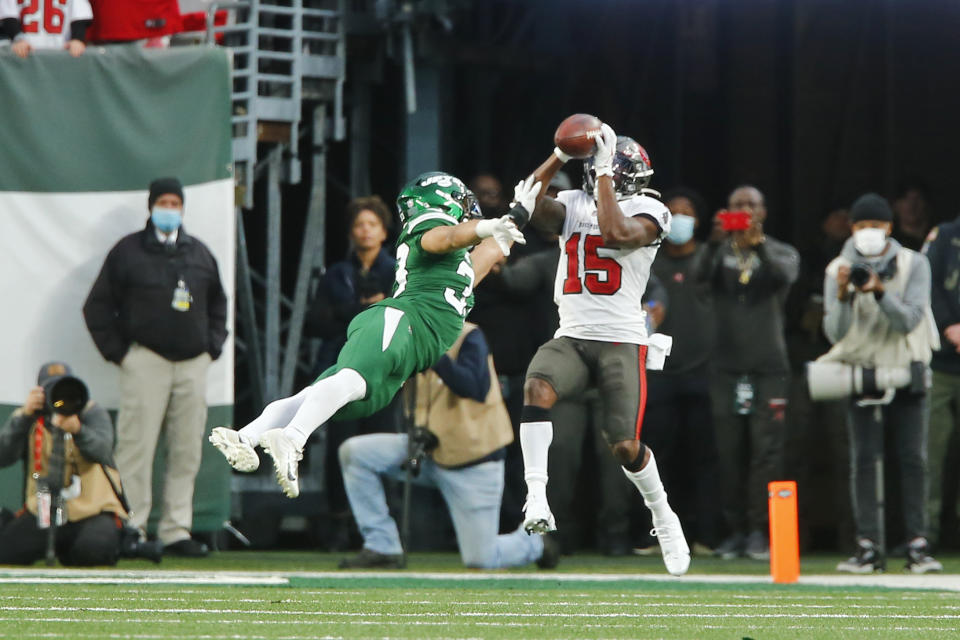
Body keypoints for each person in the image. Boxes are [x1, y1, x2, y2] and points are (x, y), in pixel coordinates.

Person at [210, 172, 537, 500]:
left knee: (320, 397)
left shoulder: (461, 268)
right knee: (354, 381)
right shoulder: (425, 230)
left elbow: (493, 249)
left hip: (411, 350)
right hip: (402, 323)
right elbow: (451, 236)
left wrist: (524, 207)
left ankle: (245, 437)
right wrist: (485, 226)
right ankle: (293, 438)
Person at [516, 122, 690, 576]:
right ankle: (536, 495)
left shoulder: (652, 209)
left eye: (606, 168)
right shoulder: (573, 202)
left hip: (620, 341)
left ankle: (663, 514)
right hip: (572, 335)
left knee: (624, 445)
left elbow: (615, 234)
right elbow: (527, 205)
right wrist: (559, 154)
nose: (598, 174)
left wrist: (604, 177)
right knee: (536, 386)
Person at [83, 177, 228, 557]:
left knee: (186, 450)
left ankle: (176, 529)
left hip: (192, 364)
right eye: (162, 201)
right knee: (135, 448)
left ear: (182, 207)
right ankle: (130, 526)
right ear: (151, 206)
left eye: (174, 202)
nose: (169, 208)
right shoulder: (127, 251)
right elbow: (96, 307)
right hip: (146, 361)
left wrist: (211, 347)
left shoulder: (198, 253)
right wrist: (122, 354)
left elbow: (218, 304)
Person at [337, 322, 559, 569]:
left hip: (472, 460)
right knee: (355, 453)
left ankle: (535, 545)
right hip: (427, 449)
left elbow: (475, 388)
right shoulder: (406, 338)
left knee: (481, 559)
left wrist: (435, 355)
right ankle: (382, 546)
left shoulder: (469, 336)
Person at [819, 193, 942, 574]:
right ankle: (868, 546)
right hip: (863, 368)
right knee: (864, 461)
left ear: (889, 228)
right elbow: (834, 333)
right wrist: (842, 295)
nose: (867, 233)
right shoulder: (837, 268)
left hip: (907, 364)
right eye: (860, 226)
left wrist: (879, 291)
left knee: (913, 458)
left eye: (874, 225)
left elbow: (909, 321)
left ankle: (917, 545)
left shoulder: (914, 263)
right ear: (850, 229)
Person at [696, 185, 799, 561]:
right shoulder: (718, 252)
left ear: (764, 212)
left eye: (752, 205)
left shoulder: (781, 250)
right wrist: (712, 242)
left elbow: (784, 277)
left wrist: (759, 245)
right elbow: (697, 279)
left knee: (766, 453)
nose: (745, 211)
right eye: (738, 205)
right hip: (725, 367)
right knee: (728, 452)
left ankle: (760, 530)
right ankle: (735, 530)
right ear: (726, 212)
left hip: (769, 368)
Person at [304, 195, 399, 549]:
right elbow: (316, 321)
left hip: (383, 373)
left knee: (380, 444)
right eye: (359, 225)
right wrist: (357, 310)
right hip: (340, 367)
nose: (364, 231)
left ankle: (381, 525)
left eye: (371, 225)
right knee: (339, 447)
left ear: (384, 231)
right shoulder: (337, 273)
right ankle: (340, 522)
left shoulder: (395, 272)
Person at [637, 187, 722, 554]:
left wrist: (724, 241)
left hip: (703, 371)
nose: (679, 217)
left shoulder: (709, 258)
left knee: (704, 457)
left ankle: (707, 535)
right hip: (658, 373)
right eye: (672, 211)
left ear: (698, 221)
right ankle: (657, 534)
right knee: (656, 458)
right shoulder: (647, 259)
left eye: (686, 211)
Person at [0, 362, 126, 566]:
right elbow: (3, 456)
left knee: (94, 551)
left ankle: (73, 548)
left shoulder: (90, 412)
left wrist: (78, 430)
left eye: (64, 389)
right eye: (51, 390)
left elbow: (103, 452)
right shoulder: (30, 415)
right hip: (43, 510)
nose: (59, 399)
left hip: (91, 510)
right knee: (5, 551)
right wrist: (23, 417)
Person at [920, 215, 960, 548]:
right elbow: (925, 283)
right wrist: (950, 325)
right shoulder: (945, 236)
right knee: (931, 452)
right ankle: (925, 535)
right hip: (944, 363)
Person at [0, 0, 91, 57]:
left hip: (61, 51)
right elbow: (8, 15)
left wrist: (77, 39)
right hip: (25, 52)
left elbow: (80, 15)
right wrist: (18, 38)